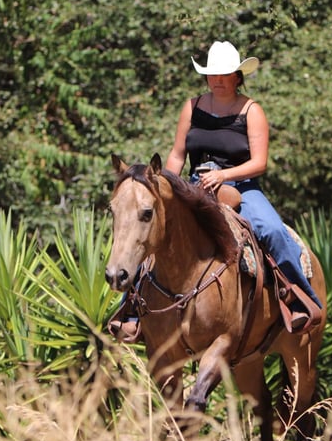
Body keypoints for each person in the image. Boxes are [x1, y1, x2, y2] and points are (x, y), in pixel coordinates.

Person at [109, 40, 321, 342]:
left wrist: (225, 174)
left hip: (241, 187)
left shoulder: (251, 111)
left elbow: (259, 162)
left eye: (224, 74)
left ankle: (297, 297)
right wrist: (167, 184)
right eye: (212, 74)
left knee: (271, 229)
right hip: (195, 186)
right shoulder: (192, 107)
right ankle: (130, 309)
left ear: (238, 75)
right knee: (154, 229)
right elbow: (178, 154)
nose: (217, 80)